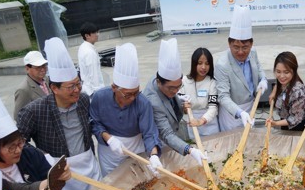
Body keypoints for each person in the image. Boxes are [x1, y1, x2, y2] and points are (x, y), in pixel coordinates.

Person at [17, 37, 101, 190]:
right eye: (71, 86)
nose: (77, 90)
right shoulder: (35, 110)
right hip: (61, 170)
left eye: (78, 84)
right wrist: (42, 156)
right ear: (54, 88)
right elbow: (19, 143)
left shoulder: (84, 100)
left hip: (88, 164)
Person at [90, 43, 162, 177]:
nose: (133, 99)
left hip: (135, 149)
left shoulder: (142, 103)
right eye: (128, 95)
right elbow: (94, 123)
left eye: (136, 93)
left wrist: (153, 155)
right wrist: (109, 138)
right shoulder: (100, 97)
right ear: (114, 88)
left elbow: (149, 132)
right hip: (109, 152)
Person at [143, 38, 207, 166]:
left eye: (178, 86)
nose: (175, 90)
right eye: (171, 88)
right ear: (158, 82)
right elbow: (166, 133)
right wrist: (190, 149)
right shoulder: (153, 101)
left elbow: (172, 92)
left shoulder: (167, 83)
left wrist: (178, 99)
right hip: (163, 140)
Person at [215, 5, 268, 131]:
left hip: (251, 106)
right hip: (232, 112)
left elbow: (258, 66)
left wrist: (263, 79)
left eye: (245, 47)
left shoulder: (253, 52)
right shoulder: (222, 65)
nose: (240, 52)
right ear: (229, 44)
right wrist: (240, 113)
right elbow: (223, 96)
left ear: (251, 44)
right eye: (236, 47)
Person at [179, 47, 220, 138]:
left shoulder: (212, 82)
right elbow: (179, 103)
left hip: (210, 124)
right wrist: (184, 108)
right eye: (200, 63)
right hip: (192, 124)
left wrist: (201, 121)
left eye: (207, 64)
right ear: (194, 64)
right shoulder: (184, 81)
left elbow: (213, 108)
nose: (203, 67)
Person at [266, 51, 305, 131]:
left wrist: (275, 123)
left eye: (286, 72)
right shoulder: (282, 82)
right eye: (278, 72)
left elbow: (295, 118)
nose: (282, 76)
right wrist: (273, 92)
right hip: (284, 124)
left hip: (299, 129)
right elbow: (278, 83)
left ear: (293, 71)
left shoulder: (298, 91)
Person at [14, 51, 50, 120]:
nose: (43, 69)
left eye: (44, 65)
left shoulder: (46, 79)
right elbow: (18, 116)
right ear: (27, 68)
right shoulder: (23, 90)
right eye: (38, 67)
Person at [78, 22, 105, 97]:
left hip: (88, 89)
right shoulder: (89, 52)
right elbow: (93, 75)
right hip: (94, 92)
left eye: (97, 32)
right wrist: (99, 93)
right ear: (87, 35)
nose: (97, 34)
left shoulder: (83, 47)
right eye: (95, 33)